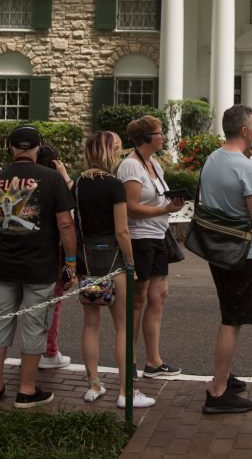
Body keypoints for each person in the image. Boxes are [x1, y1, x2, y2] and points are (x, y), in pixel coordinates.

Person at [0, 125, 76, 408]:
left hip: (3, 266)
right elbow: (66, 223)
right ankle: (26, 389)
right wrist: (70, 262)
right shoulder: (52, 179)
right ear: (38, 148)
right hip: (40, 266)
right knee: (35, 327)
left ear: (11, 148)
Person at [74, 131, 156, 408]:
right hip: (113, 259)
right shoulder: (114, 185)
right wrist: (131, 263)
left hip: (87, 258)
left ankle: (93, 383)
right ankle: (126, 391)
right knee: (122, 327)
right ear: (110, 151)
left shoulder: (78, 184)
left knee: (90, 324)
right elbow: (122, 231)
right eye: (119, 149)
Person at [199, 105, 252, 414]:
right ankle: (217, 392)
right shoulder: (245, 166)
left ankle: (224, 376)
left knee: (229, 311)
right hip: (242, 250)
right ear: (243, 130)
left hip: (217, 248)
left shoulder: (212, 159)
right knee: (232, 319)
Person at [118, 115, 185, 379]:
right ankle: (130, 360)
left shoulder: (154, 164)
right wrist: (165, 209)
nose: (163, 137)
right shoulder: (131, 167)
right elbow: (130, 207)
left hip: (158, 236)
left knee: (159, 296)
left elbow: (156, 199)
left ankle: (153, 361)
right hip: (140, 237)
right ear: (147, 138)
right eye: (159, 133)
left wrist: (171, 205)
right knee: (138, 299)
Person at [35, 143, 72, 370]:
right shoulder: (55, 184)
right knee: (53, 304)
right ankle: (49, 351)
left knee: (32, 305)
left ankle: (32, 350)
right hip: (53, 251)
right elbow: (68, 220)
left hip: (27, 251)